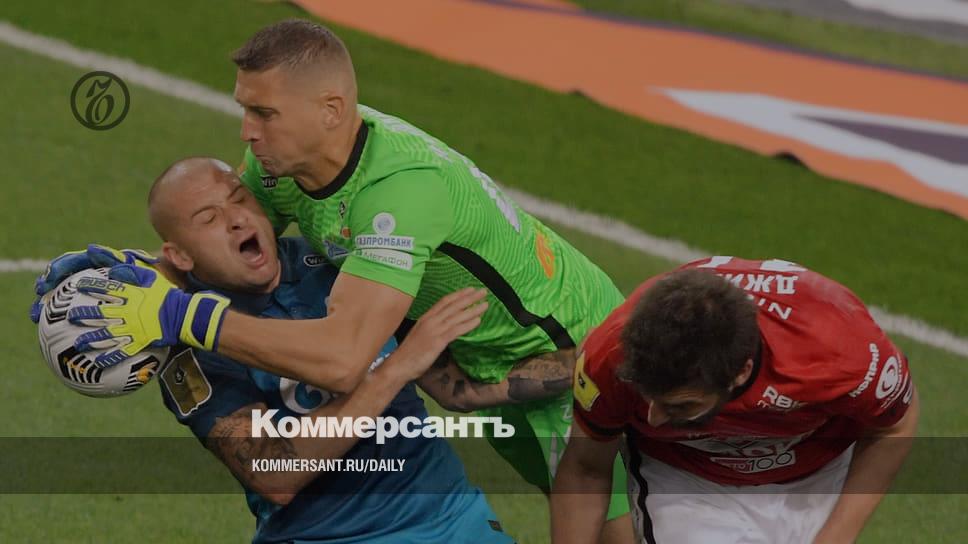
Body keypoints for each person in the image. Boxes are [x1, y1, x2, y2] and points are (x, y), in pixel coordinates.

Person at [34, 19, 632, 538]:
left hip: (569, 349)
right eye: (245, 109)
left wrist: (175, 314)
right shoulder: (279, 168)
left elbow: (343, 361)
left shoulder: (398, 194)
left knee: (617, 527)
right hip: (484, 365)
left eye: (264, 113)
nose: (246, 132)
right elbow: (217, 241)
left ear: (331, 110)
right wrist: (139, 271)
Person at [146, 157, 512, 543]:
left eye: (240, 198)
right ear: (180, 256)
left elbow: (454, 388)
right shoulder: (195, 349)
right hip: (333, 536)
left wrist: (555, 372)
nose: (236, 219)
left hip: (452, 513)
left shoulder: (332, 259)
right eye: (209, 219)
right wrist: (394, 370)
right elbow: (274, 476)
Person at [551, 257, 919, 544]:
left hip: (813, 470)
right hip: (684, 474)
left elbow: (894, 426)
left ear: (741, 372)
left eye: (681, 405)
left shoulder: (840, 349)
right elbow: (585, 470)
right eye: (649, 397)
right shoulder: (611, 356)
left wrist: (835, 537)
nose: (654, 418)